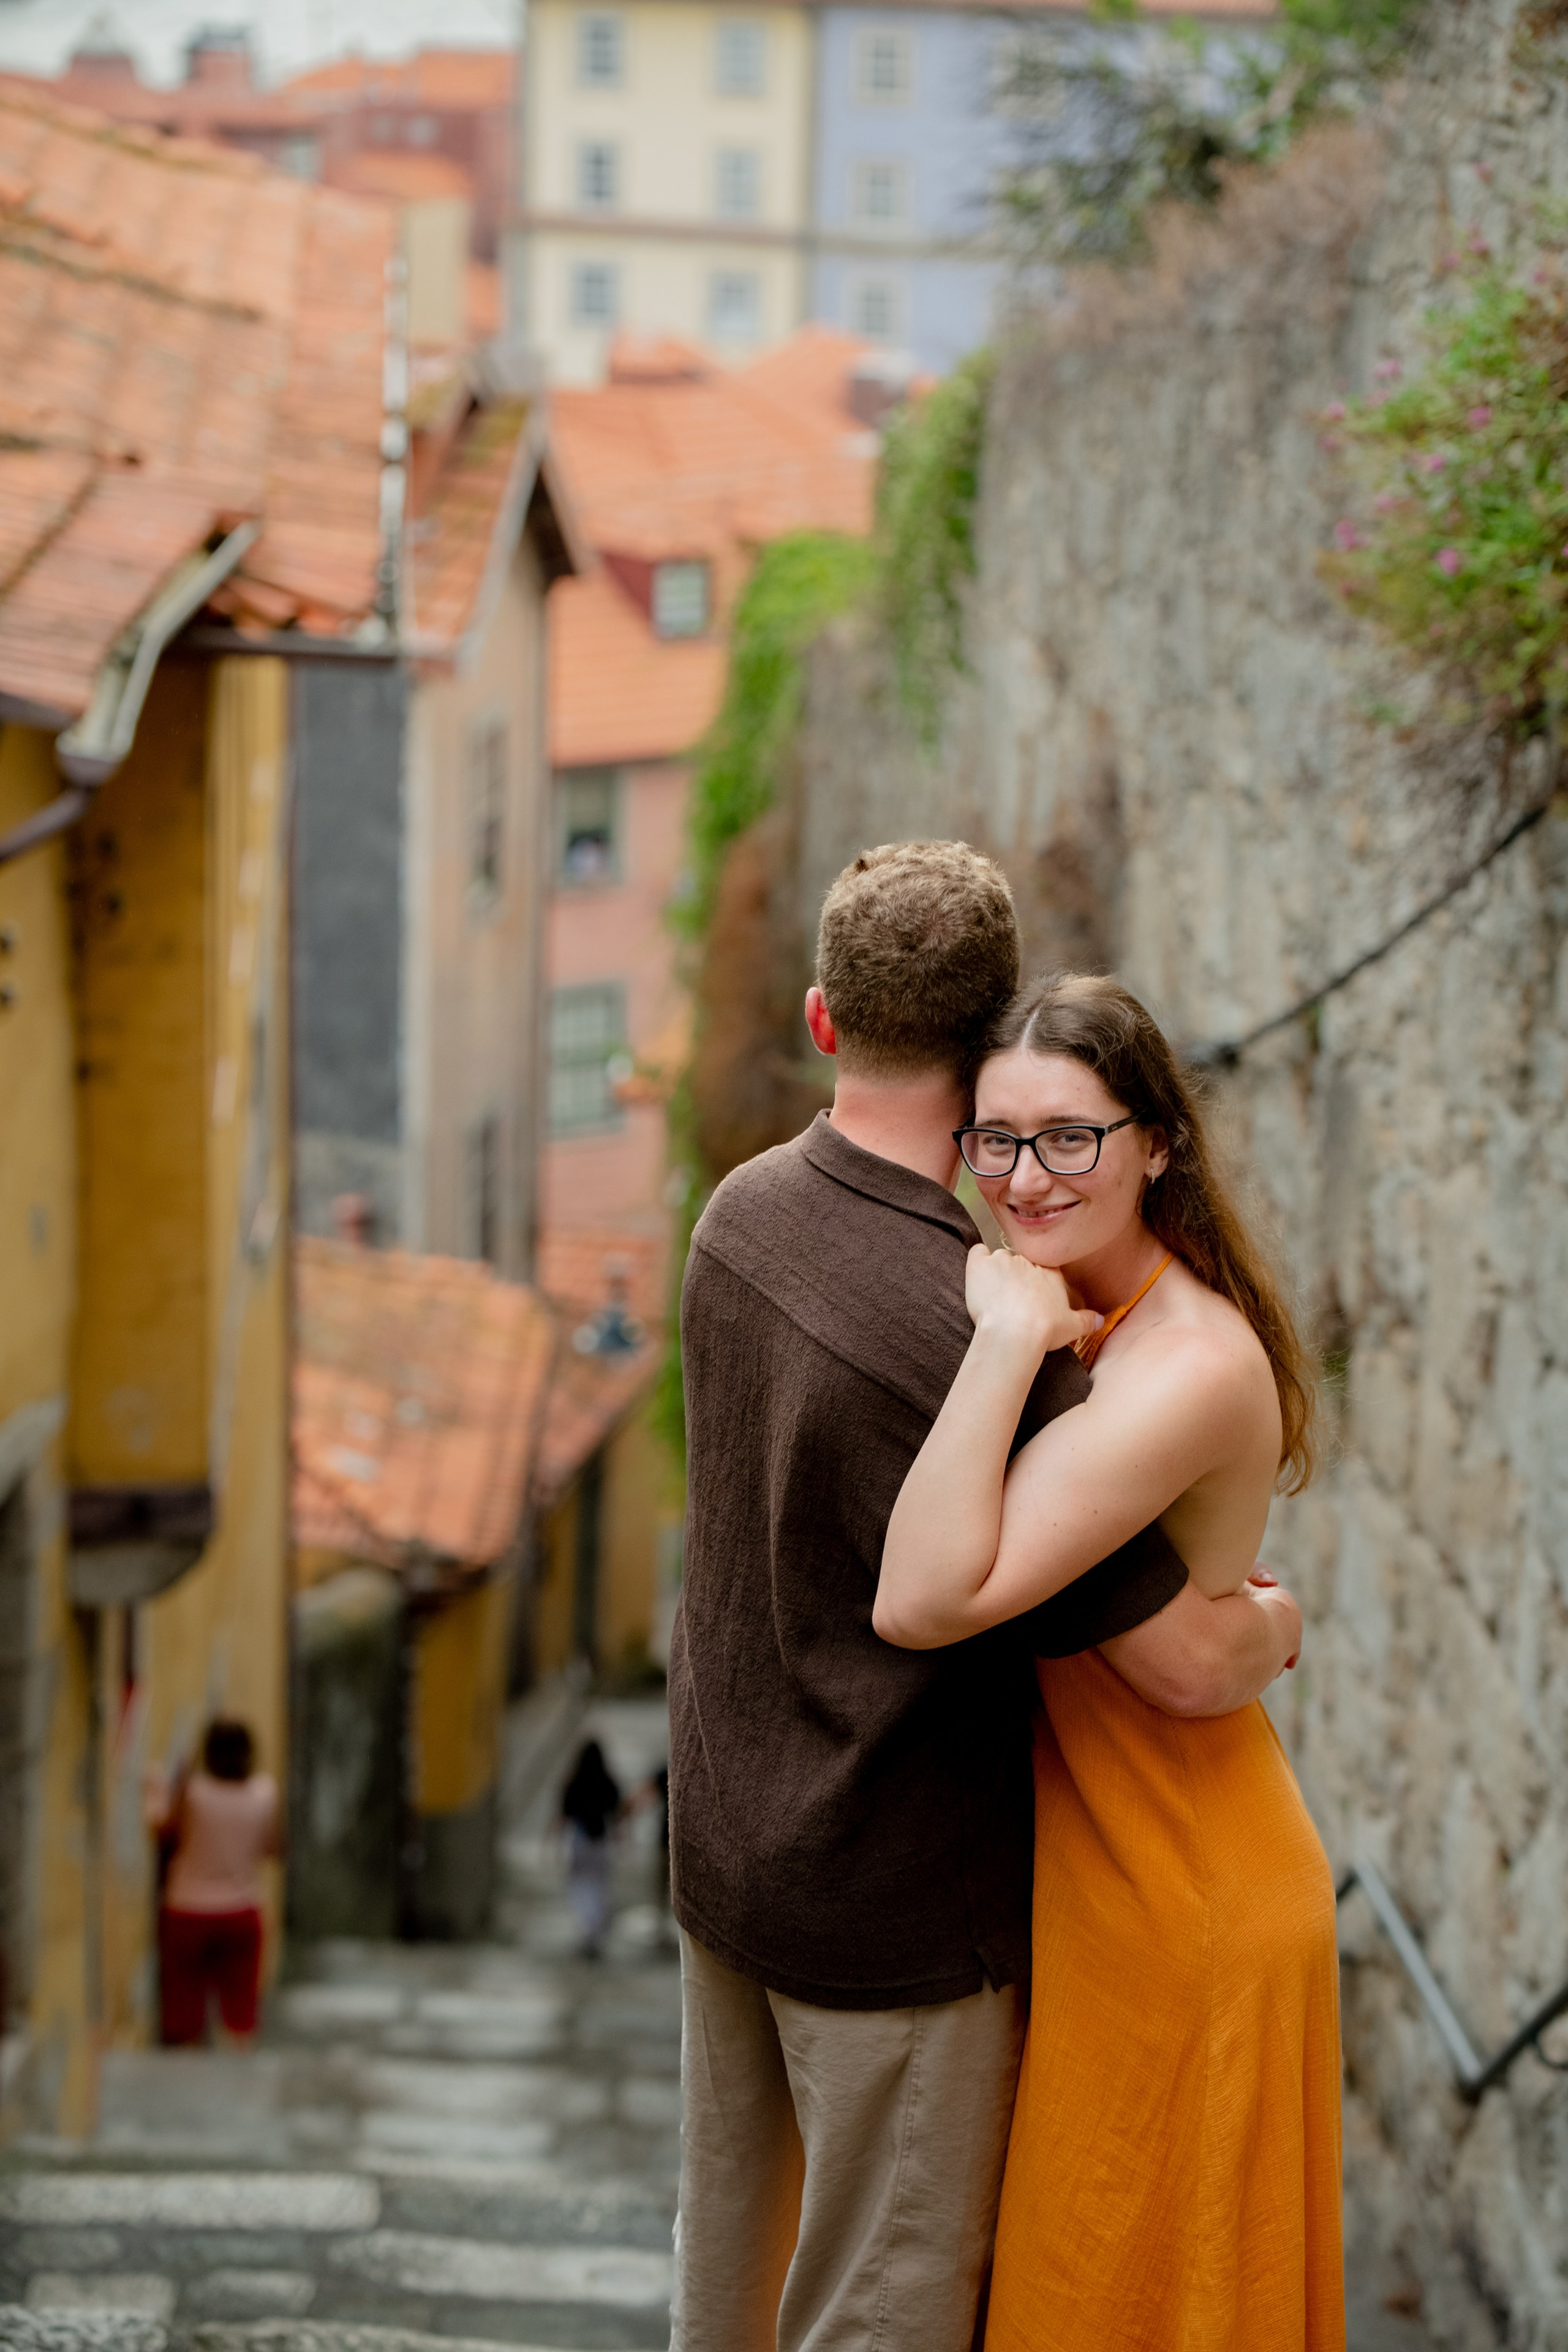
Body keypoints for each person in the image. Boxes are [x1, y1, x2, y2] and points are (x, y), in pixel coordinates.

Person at [667, 843, 1305, 2352]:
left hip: (727, 1854)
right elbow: (1178, 1656)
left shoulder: (736, 1214)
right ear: (979, 1059)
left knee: (727, 2301)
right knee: (871, 2316)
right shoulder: (966, 1330)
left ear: (825, 1022)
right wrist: (1280, 1622)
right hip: (890, 1906)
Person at [875, 971, 1343, 2351]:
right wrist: (1249, 1631)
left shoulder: (1179, 1362)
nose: (1024, 1177)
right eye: (997, 1139)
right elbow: (1191, 1647)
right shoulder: (1067, 1298)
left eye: (1070, 1137)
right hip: (1100, 1877)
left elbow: (924, 1589)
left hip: (1186, 1893)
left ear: (1157, 1143)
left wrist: (1003, 1343)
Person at [146, 1717, 278, 2048]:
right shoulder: (264, 1793)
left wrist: (173, 1781)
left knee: (185, 2011)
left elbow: (163, 1832)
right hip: (242, 1911)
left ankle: (188, 2084)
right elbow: (272, 1848)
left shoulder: (193, 1792)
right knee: (240, 2012)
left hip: (187, 1909)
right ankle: (239, 2079)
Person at [560, 1738, 622, 1958]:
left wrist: (551, 1846)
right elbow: (616, 1814)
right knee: (600, 1887)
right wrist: (622, 1839)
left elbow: (563, 1817)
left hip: (580, 1841)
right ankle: (594, 1932)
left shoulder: (573, 1781)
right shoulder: (607, 1781)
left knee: (580, 1887)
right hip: (601, 1841)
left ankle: (587, 1931)